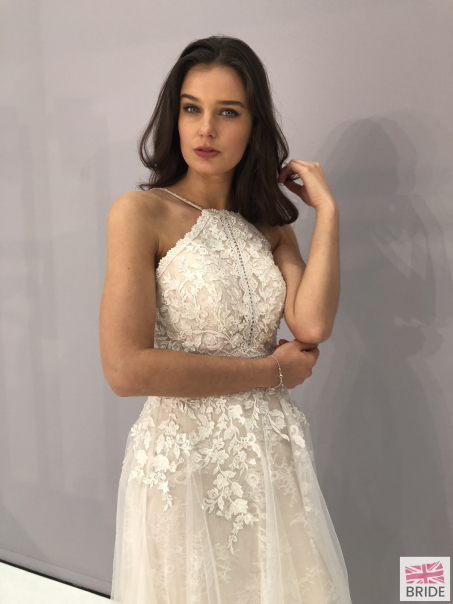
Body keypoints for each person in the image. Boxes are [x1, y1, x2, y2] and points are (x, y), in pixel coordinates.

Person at [99, 34, 352, 604]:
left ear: (254, 124)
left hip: (270, 456)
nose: (206, 129)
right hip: (185, 463)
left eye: (228, 112)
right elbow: (125, 370)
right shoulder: (140, 214)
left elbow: (311, 325)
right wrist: (271, 373)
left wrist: (329, 212)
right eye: (192, 109)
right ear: (175, 117)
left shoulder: (269, 225)